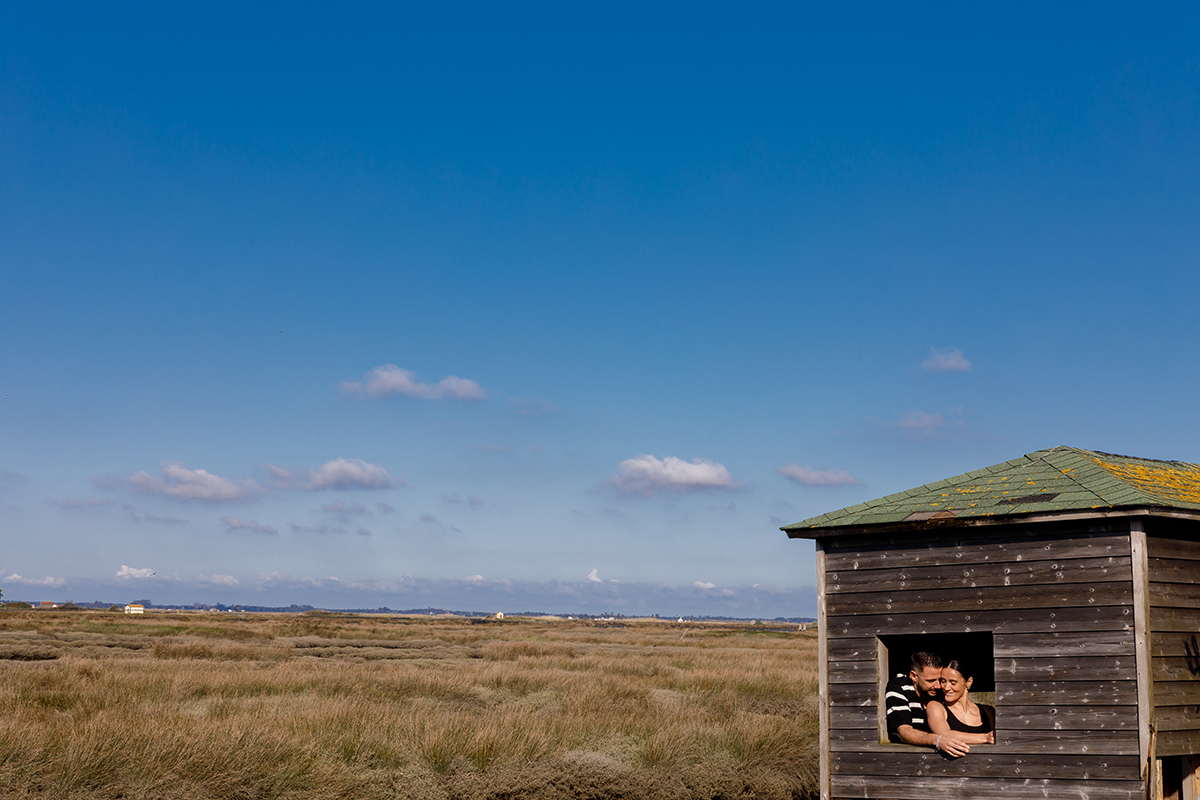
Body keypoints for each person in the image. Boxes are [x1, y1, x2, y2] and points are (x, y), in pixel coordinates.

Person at [885, 651, 971, 757]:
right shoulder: (899, 687)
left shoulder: (939, 691)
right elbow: (904, 732)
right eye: (931, 681)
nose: (938, 686)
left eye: (940, 680)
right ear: (914, 676)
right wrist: (937, 739)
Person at [927, 658, 995, 755]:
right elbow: (944, 735)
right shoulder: (936, 707)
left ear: (968, 682)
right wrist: (986, 738)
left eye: (953, 683)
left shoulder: (988, 712)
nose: (946, 688)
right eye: (943, 681)